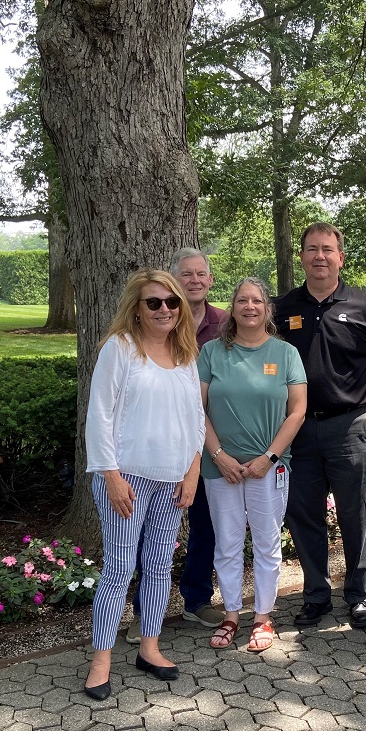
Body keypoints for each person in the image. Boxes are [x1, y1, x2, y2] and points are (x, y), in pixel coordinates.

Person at [82, 270, 205, 698]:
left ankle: (149, 647)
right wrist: (110, 475)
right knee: (118, 570)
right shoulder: (120, 349)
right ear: (137, 307)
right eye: (154, 302)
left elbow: (195, 420)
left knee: (156, 568)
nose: (165, 310)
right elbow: (98, 415)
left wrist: (192, 472)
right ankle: (101, 660)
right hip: (127, 479)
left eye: (172, 302)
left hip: (172, 481)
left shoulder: (187, 353)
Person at [273, 222, 366, 630]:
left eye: (327, 249)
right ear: (302, 256)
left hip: (350, 427)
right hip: (297, 431)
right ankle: (316, 596)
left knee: (357, 516)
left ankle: (360, 596)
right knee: (304, 517)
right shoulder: (281, 308)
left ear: (341, 257)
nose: (319, 256)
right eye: (311, 249)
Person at [200, 278, 307, 652]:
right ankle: (231, 614)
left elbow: (297, 413)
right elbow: (197, 411)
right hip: (220, 468)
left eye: (257, 300)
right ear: (232, 308)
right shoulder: (212, 352)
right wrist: (219, 456)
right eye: (242, 300)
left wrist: (269, 457)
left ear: (267, 308)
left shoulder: (285, 353)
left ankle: (263, 617)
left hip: (269, 469)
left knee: (266, 543)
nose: (249, 306)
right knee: (227, 545)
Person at [126, 249, 227, 643]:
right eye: (186, 274)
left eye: (201, 274)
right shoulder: (160, 320)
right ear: (173, 281)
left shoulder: (225, 323)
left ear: (211, 279)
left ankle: (196, 598)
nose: (195, 280)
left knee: (205, 523)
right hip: (163, 450)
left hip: (213, 442)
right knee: (144, 535)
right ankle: (143, 612)